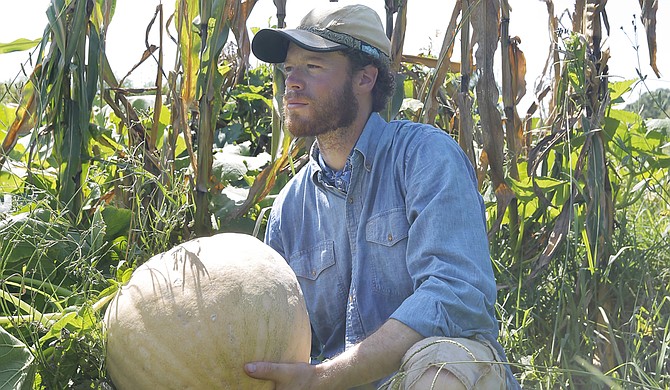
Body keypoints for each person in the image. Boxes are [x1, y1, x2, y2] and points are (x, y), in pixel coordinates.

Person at [245, 3, 520, 389]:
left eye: (313, 66)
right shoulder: (288, 210)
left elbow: (456, 294)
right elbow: (281, 334)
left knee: (444, 367)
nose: (291, 82)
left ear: (365, 78)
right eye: (289, 68)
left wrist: (325, 377)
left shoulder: (424, 157)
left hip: (424, 375)